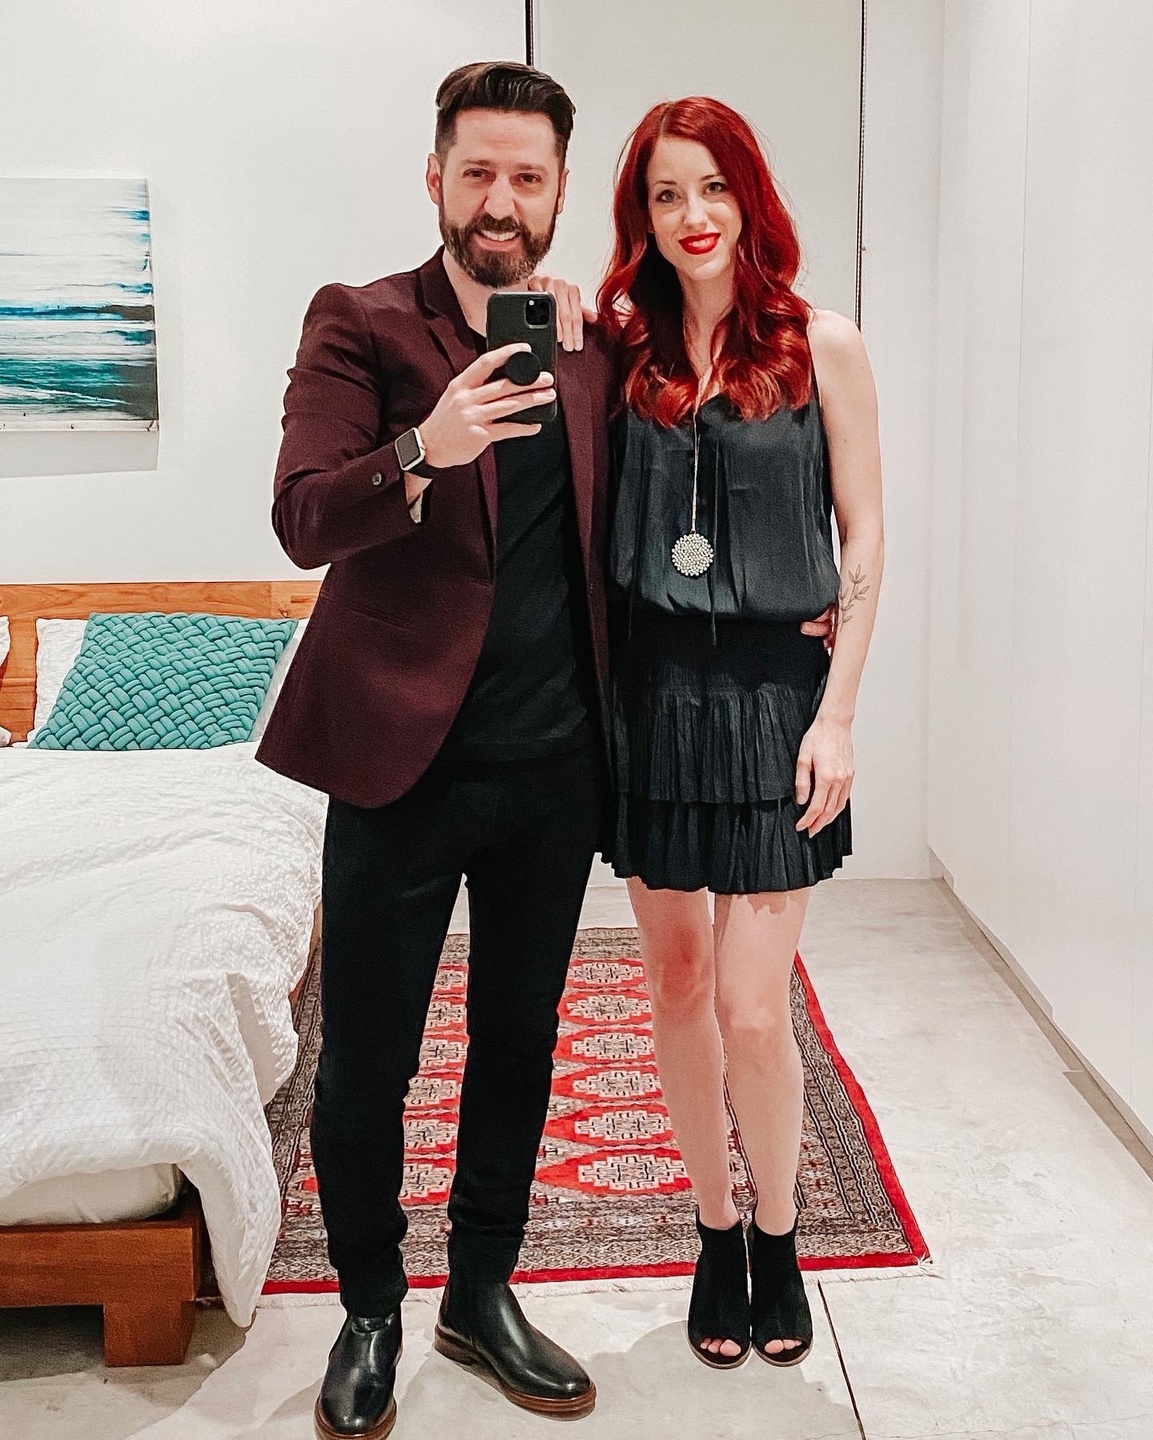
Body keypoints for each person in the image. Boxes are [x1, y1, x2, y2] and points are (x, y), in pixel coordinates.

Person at [256, 61, 619, 1440]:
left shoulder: (587, 344)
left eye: (527, 176)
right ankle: (369, 1309)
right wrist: (427, 445)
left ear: (560, 191)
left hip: (553, 769)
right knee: (369, 1061)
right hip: (397, 764)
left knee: (519, 1041)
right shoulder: (359, 323)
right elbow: (302, 517)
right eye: (477, 172)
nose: (500, 201)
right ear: (435, 178)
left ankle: (480, 1292)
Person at [597, 96, 884, 1369]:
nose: (692, 215)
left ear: (749, 197)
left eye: (711, 187)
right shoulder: (622, 355)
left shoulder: (824, 347)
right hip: (653, 700)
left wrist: (840, 713)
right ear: (643, 217)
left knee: (753, 1008)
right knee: (673, 985)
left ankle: (780, 1234)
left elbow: (864, 540)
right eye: (666, 194)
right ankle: (714, 1233)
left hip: (777, 703)